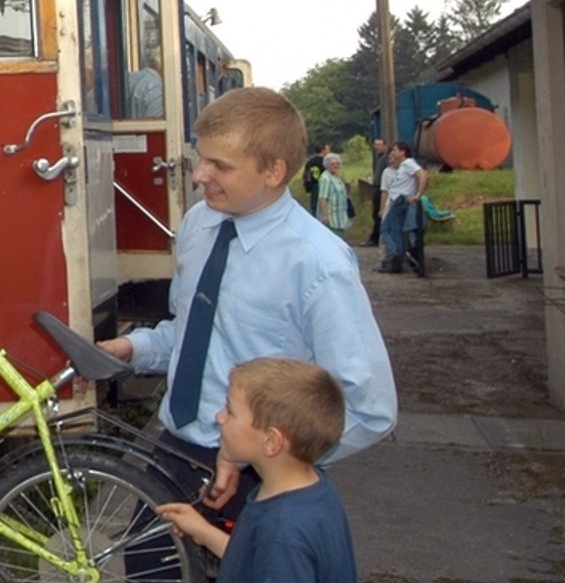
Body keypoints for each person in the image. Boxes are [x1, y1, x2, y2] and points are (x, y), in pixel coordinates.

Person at [99, 87, 396, 524]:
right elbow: (193, 331)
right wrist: (134, 350)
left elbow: (370, 406)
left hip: (262, 482)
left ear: (274, 171)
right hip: (174, 453)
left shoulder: (318, 264)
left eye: (219, 165)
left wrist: (266, 457)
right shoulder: (200, 224)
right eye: (201, 158)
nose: (199, 175)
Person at [156, 357, 360, 582]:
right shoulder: (312, 491)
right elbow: (255, 564)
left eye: (230, 411)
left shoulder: (282, 532)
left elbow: (274, 557)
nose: (219, 416)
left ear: (271, 442)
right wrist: (205, 534)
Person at [377, 140, 429, 276]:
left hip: (401, 201)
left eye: (395, 150)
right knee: (394, 231)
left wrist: (418, 194)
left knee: (387, 229)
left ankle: (396, 256)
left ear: (402, 152)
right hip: (397, 200)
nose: (392, 153)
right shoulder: (402, 166)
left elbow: (422, 174)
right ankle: (397, 257)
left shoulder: (408, 164)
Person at [317, 153, 352, 232]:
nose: (335, 166)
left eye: (338, 163)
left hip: (340, 217)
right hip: (332, 218)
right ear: (327, 165)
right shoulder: (326, 178)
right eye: (332, 164)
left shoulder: (336, 177)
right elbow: (323, 198)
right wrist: (325, 216)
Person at [362, 137, 387, 246]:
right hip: (377, 187)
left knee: (378, 213)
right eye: (376, 145)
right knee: (375, 213)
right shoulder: (379, 158)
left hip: (382, 188)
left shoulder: (386, 158)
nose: (377, 147)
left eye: (379, 145)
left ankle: (376, 238)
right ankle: (375, 237)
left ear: (385, 146)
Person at [299, 142, 328, 217]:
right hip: (325, 184)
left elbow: (306, 175)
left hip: (314, 184)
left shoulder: (311, 161)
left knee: (314, 203)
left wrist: (307, 186)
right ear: (323, 150)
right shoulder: (326, 161)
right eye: (327, 149)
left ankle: (315, 217)